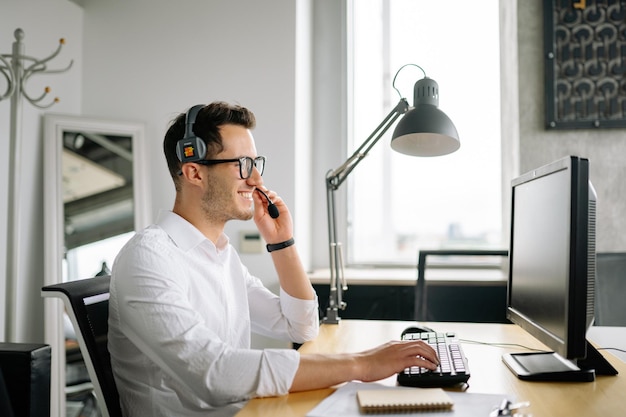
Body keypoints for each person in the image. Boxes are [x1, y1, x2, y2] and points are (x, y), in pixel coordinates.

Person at [107, 101, 439, 416]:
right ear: (194, 172)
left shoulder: (220, 255)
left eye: (255, 163)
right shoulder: (148, 259)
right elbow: (215, 374)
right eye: (242, 165)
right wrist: (361, 365)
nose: (256, 180)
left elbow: (300, 326)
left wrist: (282, 243)